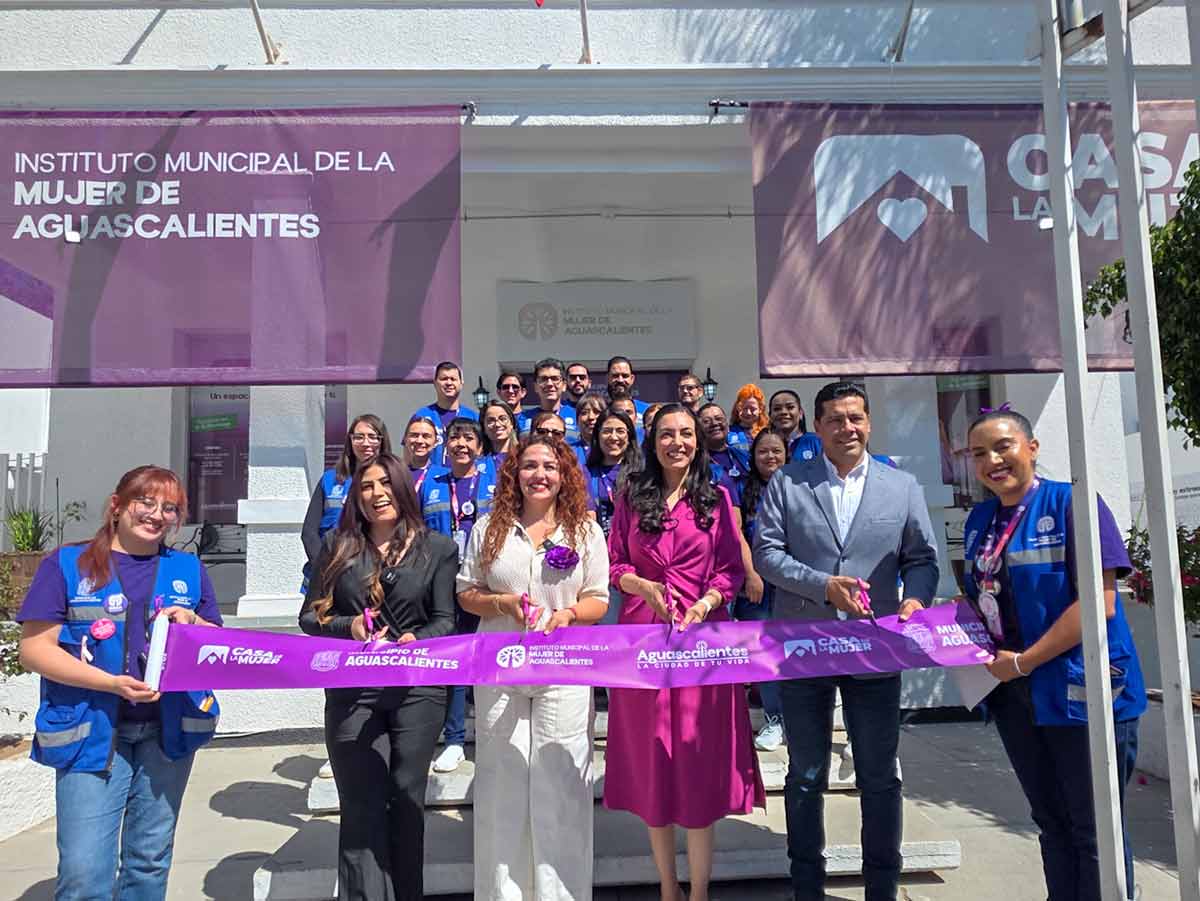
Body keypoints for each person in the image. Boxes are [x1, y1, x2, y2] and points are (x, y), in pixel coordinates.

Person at [753, 381, 939, 901]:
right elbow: (766, 553)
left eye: (855, 417)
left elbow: (921, 558)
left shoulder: (899, 486)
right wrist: (822, 586)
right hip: (805, 646)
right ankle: (806, 887)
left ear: (869, 422)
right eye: (835, 419)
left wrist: (915, 601)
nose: (847, 428)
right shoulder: (788, 483)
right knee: (806, 775)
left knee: (879, 776)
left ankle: (883, 888)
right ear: (818, 427)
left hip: (875, 650)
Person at [963, 408, 1145, 901]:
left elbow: (1098, 603)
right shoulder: (981, 519)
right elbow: (985, 596)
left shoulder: (1074, 503)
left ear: (1032, 447)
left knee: (1093, 827)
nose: (993, 461)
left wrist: (1025, 660)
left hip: (1079, 688)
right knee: (1050, 822)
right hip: (1015, 695)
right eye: (980, 453)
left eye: (1003, 446)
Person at [18, 465, 221, 900]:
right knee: (85, 871)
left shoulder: (187, 568)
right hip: (91, 729)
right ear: (117, 505)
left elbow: (214, 647)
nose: (156, 514)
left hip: (167, 732)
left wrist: (194, 622)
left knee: (148, 863)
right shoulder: (67, 565)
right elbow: (35, 650)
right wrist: (110, 683)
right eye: (145, 502)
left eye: (169, 508)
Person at [605, 403, 764, 901]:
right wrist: (641, 586)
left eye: (687, 434)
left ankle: (698, 892)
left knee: (697, 763)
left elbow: (730, 569)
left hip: (703, 641)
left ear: (698, 441)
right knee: (654, 761)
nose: (678, 442)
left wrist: (709, 600)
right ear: (652, 442)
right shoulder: (631, 496)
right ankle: (667, 888)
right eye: (667, 434)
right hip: (644, 642)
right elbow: (614, 564)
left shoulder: (716, 497)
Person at [300, 453, 458, 901]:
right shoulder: (336, 545)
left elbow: (447, 619)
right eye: (366, 486)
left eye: (385, 484)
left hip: (417, 690)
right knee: (361, 806)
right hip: (354, 691)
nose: (376, 494)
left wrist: (417, 639)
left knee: (406, 802)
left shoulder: (439, 549)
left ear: (403, 489)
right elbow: (309, 617)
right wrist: (345, 627)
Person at [457, 436, 611, 900]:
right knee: (501, 784)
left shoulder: (584, 531)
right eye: (529, 466)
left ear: (564, 476)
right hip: (500, 668)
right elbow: (467, 591)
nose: (539, 474)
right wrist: (502, 602)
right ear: (513, 474)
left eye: (549, 466)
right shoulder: (488, 528)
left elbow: (598, 600)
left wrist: (567, 614)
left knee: (560, 784)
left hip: (563, 669)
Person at [418, 417, 497, 773]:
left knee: (490, 659)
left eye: (469, 438)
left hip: (487, 586)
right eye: (455, 438)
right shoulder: (430, 484)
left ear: (480, 447)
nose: (461, 443)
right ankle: (453, 740)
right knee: (455, 662)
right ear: (444, 445)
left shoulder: (496, 482)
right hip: (443, 586)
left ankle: (492, 734)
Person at [734, 430, 789, 751]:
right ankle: (774, 718)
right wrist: (751, 575)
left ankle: (799, 717)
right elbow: (738, 533)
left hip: (793, 585)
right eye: (763, 452)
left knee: (795, 651)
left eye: (777, 451)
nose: (770, 457)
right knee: (766, 654)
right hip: (758, 587)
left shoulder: (800, 486)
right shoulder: (744, 489)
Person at [301, 414, 392, 587]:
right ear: (350, 441)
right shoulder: (329, 480)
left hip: (371, 576)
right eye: (359, 437)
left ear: (382, 441)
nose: (365, 443)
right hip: (326, 575)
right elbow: (309, 532)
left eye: (373, 437)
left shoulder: (393, 481)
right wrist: (326, 567)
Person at [584, 409, 642, 539]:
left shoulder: (643, 472)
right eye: (607, 431)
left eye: (620, 431)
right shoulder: (586, 473)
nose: (614, 437)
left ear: (629, 436)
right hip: (600, 547)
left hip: (635, 547)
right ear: (597, 435)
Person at [412, 361, 479, 465]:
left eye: (453, 379)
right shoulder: (422, 416)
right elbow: (409, 453)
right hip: (431, 478)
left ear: (461, 383)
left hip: (463, 477)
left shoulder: (473, 417)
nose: (449, 383)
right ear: (435, 383)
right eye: (444, 379)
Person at [516, 358, 580, 442]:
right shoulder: (522, 419)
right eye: (543, 379)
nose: (549, 384)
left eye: (555, 378)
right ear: (535, 386)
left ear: (564, 385)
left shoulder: (578, 416)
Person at [698, 402, 751, 491]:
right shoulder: (698, 463)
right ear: (699, 429)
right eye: (706, 421)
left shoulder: (742, 455)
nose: (714, 423)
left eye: (719, 418)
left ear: (727, 424)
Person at [768, 389, 820, 462]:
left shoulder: (816, 441)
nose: (783, 412)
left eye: (790, 407)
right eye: (777, 409)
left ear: (800, 413)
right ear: (770, 416)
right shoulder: (764, 445)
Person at [401, 415, 442, 495]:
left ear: (436, 442)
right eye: (414, 435)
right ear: (405, 439)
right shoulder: (397, 474)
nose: (419, 441)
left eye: (426, 436)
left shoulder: (444, 476)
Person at [729, 384, 769, 454]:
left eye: (753, 409)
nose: (748, 413)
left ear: (760, 409)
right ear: (738, 408)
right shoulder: (729, 433)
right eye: (744, 408)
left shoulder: (768, 432)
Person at [572, 393, 607, 465]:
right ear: (577, 420)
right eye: (584, 413)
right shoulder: (569, 452)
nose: (591, 417)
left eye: (597, 412)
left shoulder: (613, 450)